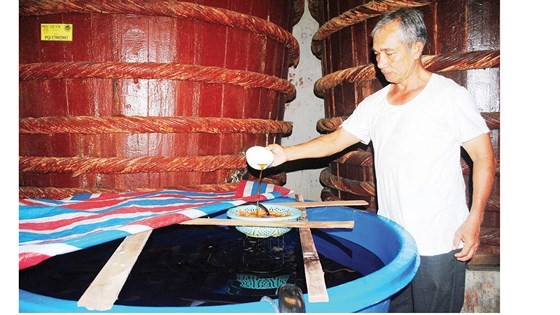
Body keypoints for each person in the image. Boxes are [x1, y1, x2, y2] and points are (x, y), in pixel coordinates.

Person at [266, 8, 497, 313]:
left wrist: (475, 218)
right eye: (376, 54)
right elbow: (336, 139)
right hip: (395, 241)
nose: (381, 63)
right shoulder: (375, 105)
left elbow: (484, 158)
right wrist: (286, 153)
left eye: (389, 53)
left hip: (440, 240)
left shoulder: (448, 97)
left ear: (416, 48)